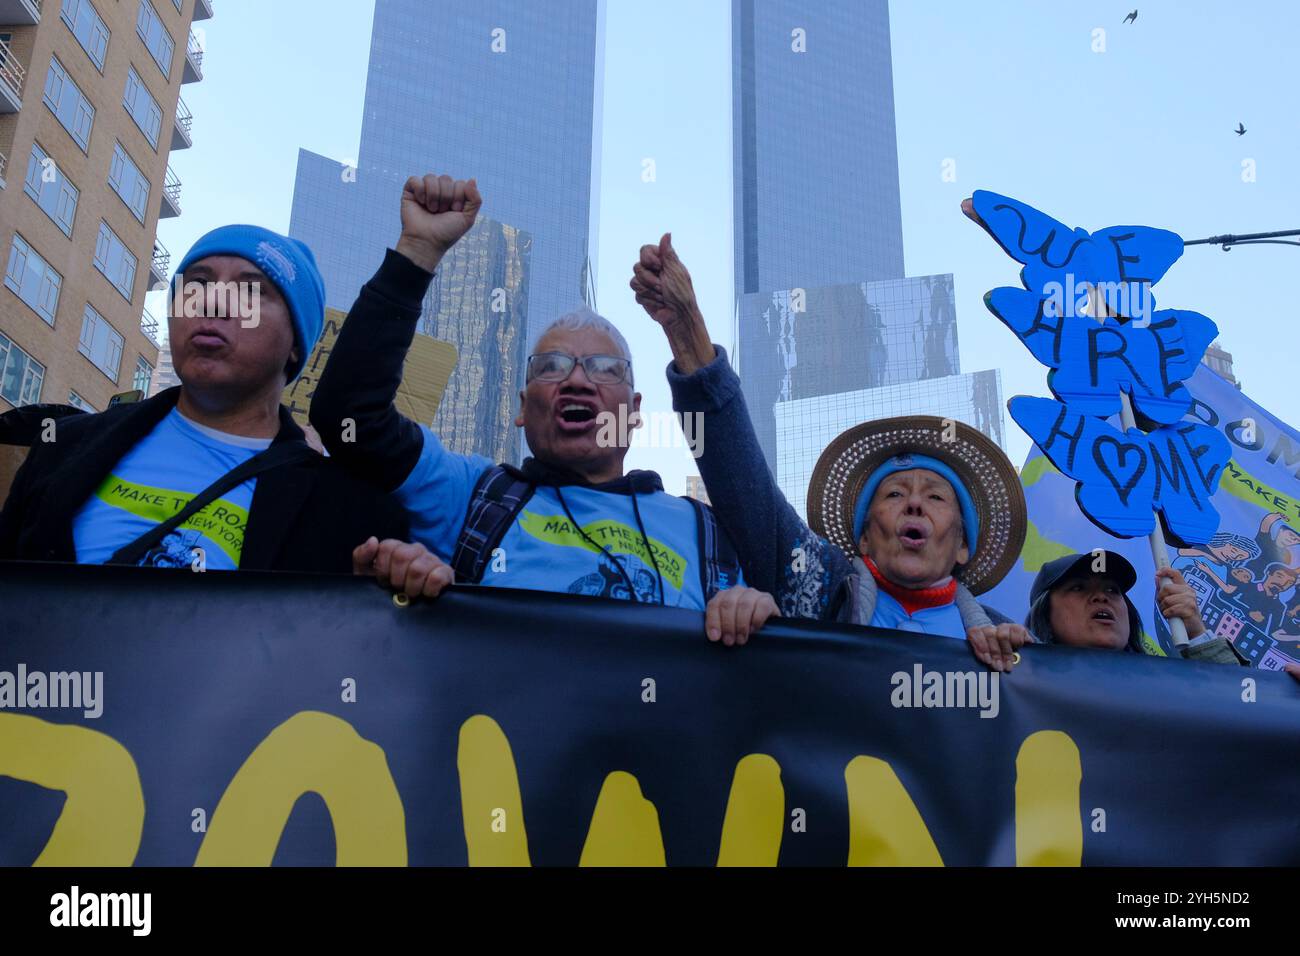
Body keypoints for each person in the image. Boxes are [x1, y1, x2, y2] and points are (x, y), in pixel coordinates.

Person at [310, 173, 767, 639]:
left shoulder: (702, 529)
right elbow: (351, 418)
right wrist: (416, 253)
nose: (577, 380)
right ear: (523, 408)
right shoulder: (473, 495)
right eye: (551, 365)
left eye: (605, 368)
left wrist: (755, 613)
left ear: (634, 415)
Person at [629, 234, 1031, 671]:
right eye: (894, 495)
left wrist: (1030, 669)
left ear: (962, 547)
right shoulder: (818, 590)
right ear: (862, 539)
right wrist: (686, 329)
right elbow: (746, 488)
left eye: (936, 497)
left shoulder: (1006, 642)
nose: (914, 502)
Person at [0, 225, 408, 573]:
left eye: (250, 292)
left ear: (296, 346)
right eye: (195, 284)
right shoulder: (62, 448)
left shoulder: (348, 515)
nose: (213, 301)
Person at [1023, 552, 1244, 664]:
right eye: (1079, 587)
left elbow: (1240, 717)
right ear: (1044, 613)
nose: (1101, 597)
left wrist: (1195, 631)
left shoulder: (1165, 686)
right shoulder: (1012, 677)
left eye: (1112, 590)